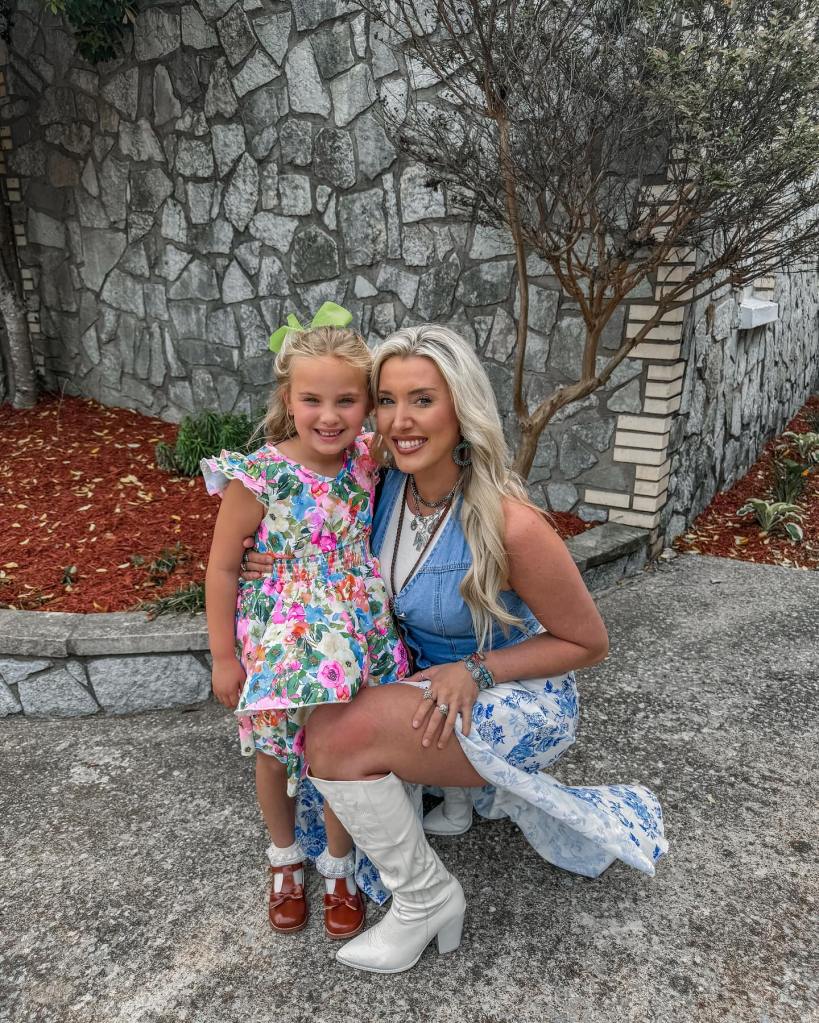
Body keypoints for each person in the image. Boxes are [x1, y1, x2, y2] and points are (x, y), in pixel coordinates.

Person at [244, 324, 667, 974]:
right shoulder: (381, 489)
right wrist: (272, 557)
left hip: (517, 690)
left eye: (421, 399)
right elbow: (308, 504)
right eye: (385, 400)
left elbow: (587, 642)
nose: (400, 419)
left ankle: (426, 898)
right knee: (319, 728)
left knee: (332, 735)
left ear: (460, 408)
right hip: (426, 678)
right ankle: (446, 801)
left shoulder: (510, 523)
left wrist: (478, 668)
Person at [202, 323, 408, 942]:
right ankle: (285, 860)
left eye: (346, 400)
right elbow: (222, 564)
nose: (329, 415)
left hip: (356, 626)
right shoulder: (260, 474)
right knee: (274, 751)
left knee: (344, 748)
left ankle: (338, 866)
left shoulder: (369, 460)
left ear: (367, 404)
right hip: (280, 635)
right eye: (312, 400)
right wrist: (221, 657)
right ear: (287, 399)